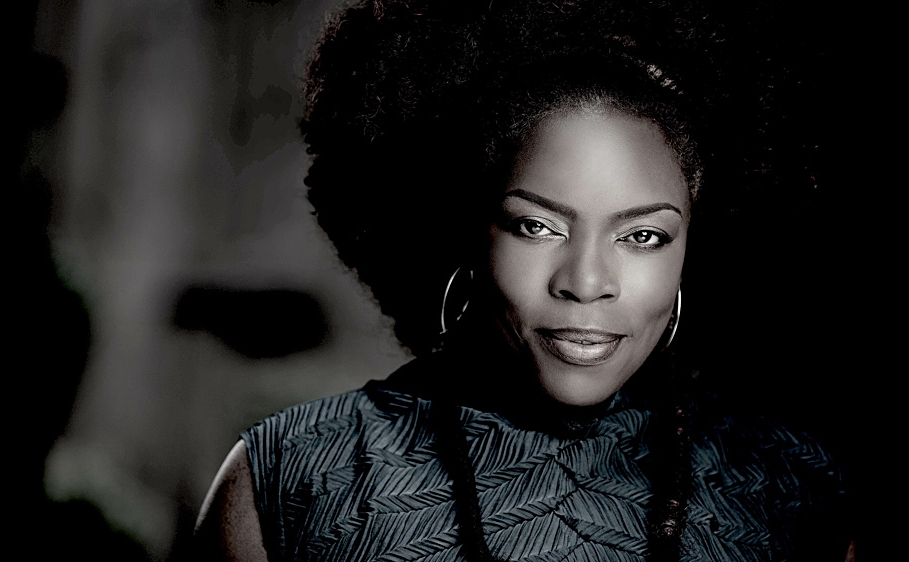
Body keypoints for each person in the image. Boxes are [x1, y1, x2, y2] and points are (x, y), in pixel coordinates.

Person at [193, 1, 854, 560]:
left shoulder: (794, 487)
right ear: (474, 232)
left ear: (691, 252)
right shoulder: (287, 482)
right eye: (537, 226)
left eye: (643, 236)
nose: (586, 281)